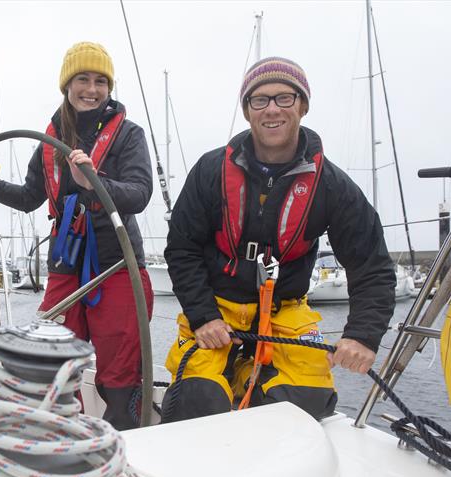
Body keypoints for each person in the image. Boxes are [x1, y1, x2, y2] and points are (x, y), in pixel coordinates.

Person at [162, 57, 396, 422]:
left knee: (307, 401)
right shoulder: (210, 171)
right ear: (247, 111)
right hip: (218, 310)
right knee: (196, 400)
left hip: (284, 310)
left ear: (302, 105)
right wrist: (203, 316)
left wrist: (363, 335)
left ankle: (247, 377)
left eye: (284, 98)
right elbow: (182, 248)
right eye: (260, 100)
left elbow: (371, 264)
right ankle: (231, 374)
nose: (272, 109)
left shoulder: (331, 185)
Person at [0, 42, 154, 430]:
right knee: (51, 363)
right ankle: (64, 436)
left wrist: (94, 181)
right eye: (82, 79)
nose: (92, 89)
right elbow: (29, 198)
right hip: (66, 265)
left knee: (119, 370)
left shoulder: (129, 136)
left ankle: (123, 442)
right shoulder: (48, 142)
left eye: (101, 81)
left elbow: (140, 193)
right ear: (66, 85)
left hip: (117, 266)